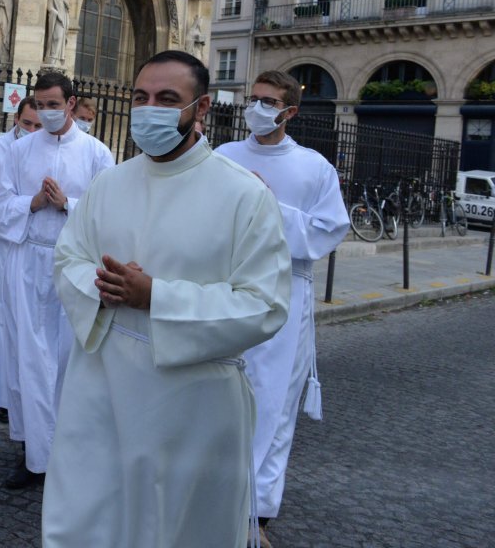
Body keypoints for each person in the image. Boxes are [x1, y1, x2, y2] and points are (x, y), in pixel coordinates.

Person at [43, 51, 292, 548]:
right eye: (141, 97)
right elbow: (68, 259)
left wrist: (157, 296)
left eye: (166, 99)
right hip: (101, 387)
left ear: (200, 109)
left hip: (189, 403)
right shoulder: (109, 184)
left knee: (172, 529)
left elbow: (264, 304)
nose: (148, 109)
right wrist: (104, 284)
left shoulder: (243, 194)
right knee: (90, 520)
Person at [215, 70, 349, 546]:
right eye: (253, 99)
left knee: (271, 406)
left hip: (284, 294)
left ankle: (258, 516)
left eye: (268, 102)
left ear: (290, 111)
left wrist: (269, 203)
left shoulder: (314, 168)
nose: (257, 108)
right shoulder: (224, 157)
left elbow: (329, 230)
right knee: (218, 398)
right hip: (226, 287)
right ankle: (211, 500)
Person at [0, 72, 114, 488]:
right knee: (29, 357)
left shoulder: (97, 153)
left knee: (67, 361)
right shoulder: (19, 150)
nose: (46, 113)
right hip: (28, 261)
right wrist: (34, 202)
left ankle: (69, 451)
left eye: (53, 104)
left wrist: (66, 205)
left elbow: (108, 211)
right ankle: (33, 454)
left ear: (72, 103)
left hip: (73, 266)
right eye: (40, 105)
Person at [0, 97, 41, 421]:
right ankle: (1, 393)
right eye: (27, 123)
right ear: (17, 119)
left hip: (36, 249)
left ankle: (28, 392)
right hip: (2, 244)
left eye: (38, 126)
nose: (31, 131)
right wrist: (28, 204)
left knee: (28, 322)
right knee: (0, 317)